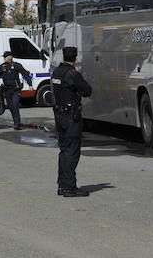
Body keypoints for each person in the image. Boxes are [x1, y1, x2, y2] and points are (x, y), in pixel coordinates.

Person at [51, 46, 92, 197]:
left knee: (64, 151)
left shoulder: (57, 72)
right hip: (70, 118)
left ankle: (62, 185)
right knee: (71, 152)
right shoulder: (71, 73)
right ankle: (69, 187)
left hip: (60, 115)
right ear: (75, 57)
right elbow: (87, 90)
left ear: (63, 56)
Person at [0, 51, 33, 130]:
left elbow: (25, 74)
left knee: (15, 106)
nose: (4, 58)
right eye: (4, 57)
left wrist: (30, 85)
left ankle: (17, 124)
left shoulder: (16, 65)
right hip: (7, 90)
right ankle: (16, 122)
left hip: (15, 90)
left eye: (6, 57)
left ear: (10, 57)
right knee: (11, 107)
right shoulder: (3, 66)